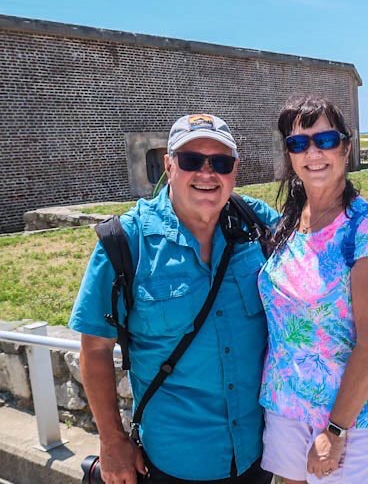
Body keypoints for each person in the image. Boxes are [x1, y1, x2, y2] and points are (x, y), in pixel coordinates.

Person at [70, 113, 278, 483]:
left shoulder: (259, 225)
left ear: (235, 170)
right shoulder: (126, 242)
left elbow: (320, 252)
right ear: (168, 166)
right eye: (191, 160)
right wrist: (112, 440)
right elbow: (96, 349)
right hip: (173, 460)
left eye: (220, 163)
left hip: (256, 453)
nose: (206, 173)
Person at [257, 95, 368, 483]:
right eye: (298, 143)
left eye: (325, 140)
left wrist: (335, 430)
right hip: (288, 405)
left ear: (345, 147)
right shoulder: (289, 223)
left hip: (354, 419)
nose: (313, 152)